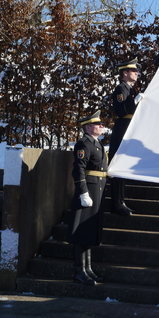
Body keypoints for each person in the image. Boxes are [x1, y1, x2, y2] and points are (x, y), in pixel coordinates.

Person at [68, 110, 107, 285]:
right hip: (88, 191)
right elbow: (78, 169)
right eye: (97, 124)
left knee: (89, 230)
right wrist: (83, 192)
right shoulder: (84, 144)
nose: (101, 126)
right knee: (81, 233)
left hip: (97, 190)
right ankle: (79, 271)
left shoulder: (96, 143)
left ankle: (88, 269)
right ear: (88, 127)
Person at [108, 57, 141, 215]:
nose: (136, 73)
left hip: (129, 128)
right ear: (125, 73)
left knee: (124, 166)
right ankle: (117, 202)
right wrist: (135, 101)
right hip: (122, 128)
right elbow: (121, 111)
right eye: (133, 70)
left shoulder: (131, 89)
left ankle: (121, 201)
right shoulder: (121, 89)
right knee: (118, 166)